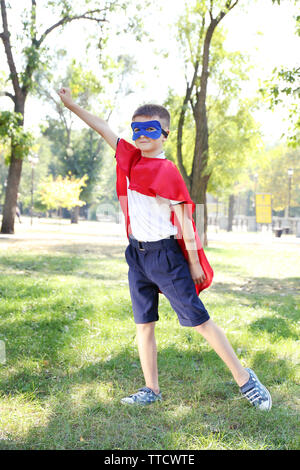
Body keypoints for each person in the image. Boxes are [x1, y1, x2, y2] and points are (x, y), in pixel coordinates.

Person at [58, 87, 272, 411]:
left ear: (164, 133)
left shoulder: (167, 170)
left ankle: (245, 379)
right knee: (144, 324)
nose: (142, 134)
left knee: (199, 321)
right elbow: (101, 126)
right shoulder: (129, 158)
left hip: (166, 256)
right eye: (137, 128)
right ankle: (151, 389)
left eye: (150, 128)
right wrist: (72, 105)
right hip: (137, 255)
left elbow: (185, 216)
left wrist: (195, 261)